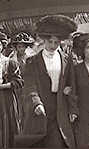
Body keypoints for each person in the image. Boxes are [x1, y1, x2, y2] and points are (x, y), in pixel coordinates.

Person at [22, 14, 78, 148]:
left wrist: (73, 108)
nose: (52, 45)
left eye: (56, 42)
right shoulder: (33, 61)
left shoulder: (66, 59)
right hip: (41, 107)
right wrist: (36, 103)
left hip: (60, 106)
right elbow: (30, 85)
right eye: (50, 41)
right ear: (44, 41)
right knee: (40, 142)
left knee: (59, 142)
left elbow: (72, 84)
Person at [8, 32, 35, 130]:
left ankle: (28, 128)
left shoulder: (31, 57)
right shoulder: (12, 59)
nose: (22, 49)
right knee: (18, 107)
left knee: (28, 107)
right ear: (16, 47)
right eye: (19, 47)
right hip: (17, 87)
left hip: (28, 85)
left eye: (24, 47)